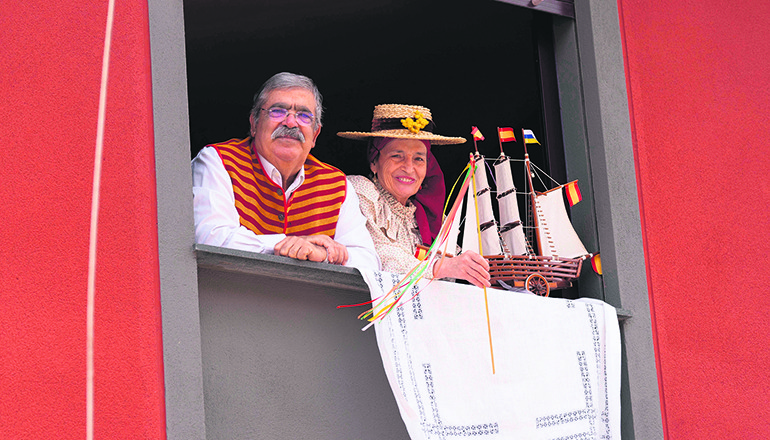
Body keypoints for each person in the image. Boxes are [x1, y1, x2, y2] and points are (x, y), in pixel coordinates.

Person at [192, 72, 380, 271]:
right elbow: (210, 237)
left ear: (315, 134)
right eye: (277, 111)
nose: (290, 123)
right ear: (254, 124)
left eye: (304, 116)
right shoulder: (218, 160)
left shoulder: (336, 184)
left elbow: (368, 262)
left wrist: (323, 254)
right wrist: (287, 245)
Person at [338, 104, 490, 287]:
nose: (409, 168)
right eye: (397, 156)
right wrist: (437, 268)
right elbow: (378, 254)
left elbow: (456, 259)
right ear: (374, 162)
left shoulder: (430, 217)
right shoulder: (360, 191)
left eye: (418, 159)